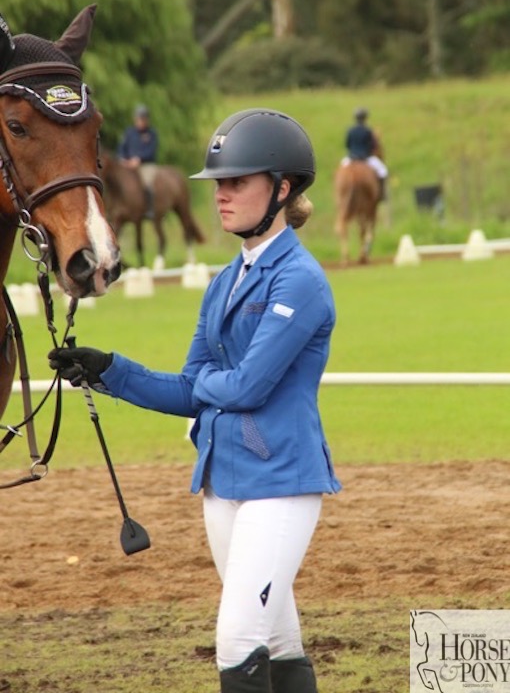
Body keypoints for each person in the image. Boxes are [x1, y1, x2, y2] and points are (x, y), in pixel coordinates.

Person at [49, 108, 341, 693]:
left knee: (236, 644)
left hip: (279, 480)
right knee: (279, 643)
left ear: (282, 189)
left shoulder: (300, 280)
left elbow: (249, 386)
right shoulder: (222, 281)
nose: (222, 196)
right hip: (220, 481)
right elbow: (192, 387)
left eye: (238, 182)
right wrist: (110, 371)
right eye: (219, 185)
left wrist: (210, 389)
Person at [117, 103, 159, 218]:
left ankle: (149, 209)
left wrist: (139, 159)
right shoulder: (129, 133)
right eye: (138, 119)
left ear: (146, 120)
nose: (140, 121)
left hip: (145, 164)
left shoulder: (151, 134)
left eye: (142, 119)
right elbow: (122, 147)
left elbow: (151, 150)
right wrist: (122, 159)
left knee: (147, 183)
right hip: (128, 164)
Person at [341, 107, 389, 200]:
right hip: (366, 158)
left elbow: (347, 145)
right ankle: (382, 194)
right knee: (383, 171)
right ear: (365, 118)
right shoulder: (368, 131)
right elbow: (372, 146)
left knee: (339, 170)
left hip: (351, 158)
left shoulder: (350, 130)